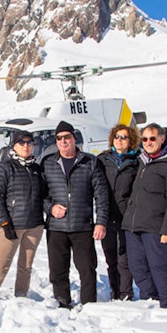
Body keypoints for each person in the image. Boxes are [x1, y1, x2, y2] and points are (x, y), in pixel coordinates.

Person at [41, 120, 109, 308]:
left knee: (87, 269)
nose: (63, 141)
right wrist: (50, 208)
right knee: (57, 270)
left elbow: (101, 196)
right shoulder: (48, 163)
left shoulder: (90, 162)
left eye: (67, 137)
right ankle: (62, 303)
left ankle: (89, 305)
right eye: (59, 138)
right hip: (56, 228)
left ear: (74, 138)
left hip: (82, 226)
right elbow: (40, 196)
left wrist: (101, 222)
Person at [122, 122, 167, 309]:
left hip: (156, 226)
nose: (148, 142)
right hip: (133, 224)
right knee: (137, 267)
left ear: (161, 138)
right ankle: (150, 298)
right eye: (144, 139)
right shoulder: (141, 161)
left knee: (159, 266)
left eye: (152, 138)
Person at [0, 131, 46, 303]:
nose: (26, 146)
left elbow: (44, 196)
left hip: (35, 225)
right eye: (21, 143)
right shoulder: (6, 167)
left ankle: (21, 298)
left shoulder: (36, 169)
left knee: (26, 266)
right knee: (2, 265)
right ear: (14, 146)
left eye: (29, 143)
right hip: (12, 226)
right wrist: (4, 222)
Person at [99, 123, 140, 300]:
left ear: (131, 140)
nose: (120, 140)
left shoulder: (136, 161)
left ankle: (126, 293)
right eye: (117, 137)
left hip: (126, 215)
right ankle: (114, 291)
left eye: (124, 137)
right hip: (106, 215)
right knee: (110, 257)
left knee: (125, 258)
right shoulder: (103, 160)